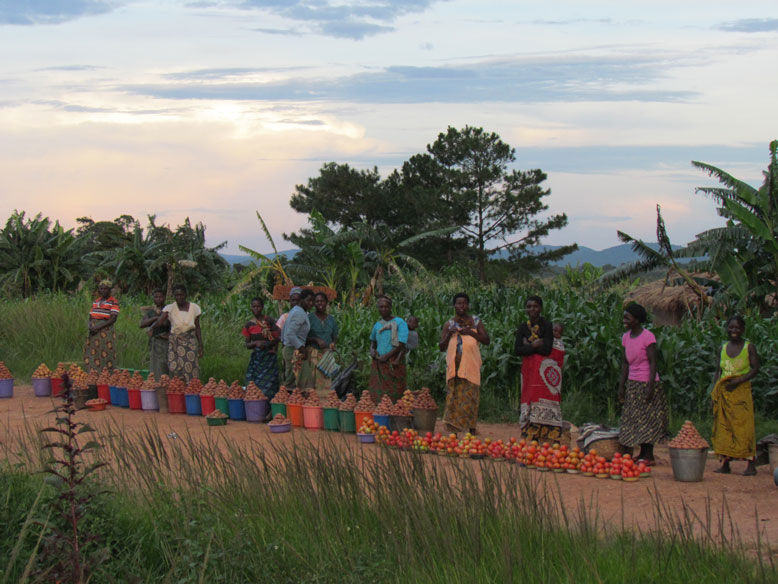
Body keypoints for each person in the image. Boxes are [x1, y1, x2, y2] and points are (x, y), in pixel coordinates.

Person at [618, 302, 668, 465]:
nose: (624, 320)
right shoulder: (626, 337)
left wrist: (650, 385)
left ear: (637, 320)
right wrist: (621, 385)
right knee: (633, 419)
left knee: (648, 419)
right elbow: (625, 363)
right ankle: (641, 454)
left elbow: (653, 363)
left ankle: (648, 455)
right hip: (633, 383)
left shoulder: (648, 337)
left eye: (628, 318)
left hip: (646, 382)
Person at [711, 315, 760, 476]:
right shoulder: (723, 348)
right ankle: (725, 463)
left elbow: (755, 369)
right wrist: (714, 393)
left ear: (743, 329)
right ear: (727, 329)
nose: (734, 331)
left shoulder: (748, 347)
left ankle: (750, 464)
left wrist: (738, 381)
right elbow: (718, 371)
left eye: (737, 328)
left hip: (741, 394)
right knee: (725, 428)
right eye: (731, 327)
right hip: (724, 393)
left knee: (745, 428)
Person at [440, 293, 490, 435]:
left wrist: (470, 332)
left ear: (468, 305)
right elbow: (441, 346)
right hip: (454, 365)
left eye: (464, 303)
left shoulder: (475, 321)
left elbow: (486, 340)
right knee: (454, 397)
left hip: (470, 365)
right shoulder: (449, 324)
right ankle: (453, 430)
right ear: (454, 305)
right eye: (458, 303)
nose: (462, 306)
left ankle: (471, 428)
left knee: (470, 396)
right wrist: (450, 334)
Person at [514, 295, 563, 441]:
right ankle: (531, 434)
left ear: (540, 308)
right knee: (529, 399)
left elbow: (547, 350)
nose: (532, 309)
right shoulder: (523, 327)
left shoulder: (547, 325)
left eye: (535, 306)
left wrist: (527, 346)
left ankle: (546, 434)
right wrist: (534, 345)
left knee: (542, 398)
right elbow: (517, 350)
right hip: (529, 371)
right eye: (529, 306)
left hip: (543, 373)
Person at [154, 284, 203, 383]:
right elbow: (159, 321)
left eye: (181, 295)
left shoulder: (194, 308)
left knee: (190, 367)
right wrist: (151, 328)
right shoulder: (170, 308)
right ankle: (178, 390)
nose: (179, 297)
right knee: (175, 369)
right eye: (176, 295)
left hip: (189, 341)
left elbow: (197, 327)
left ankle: (191, 390)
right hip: (175, 342)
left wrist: (201, 344)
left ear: (185, 295)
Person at [368, 296, 409, 401]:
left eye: (386, 307)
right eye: (381, 307)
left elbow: (401, 344)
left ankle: (395, 413)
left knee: (395, 391)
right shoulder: (377, 325)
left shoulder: (400, 323)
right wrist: (372, 350)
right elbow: (373, 341)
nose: (383, 309)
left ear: (391, 308)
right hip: (379, 362)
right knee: (378, 391)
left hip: (393, 362)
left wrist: (387, 356)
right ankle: (380, 411)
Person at [242, 297, 281, 399]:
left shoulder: (269, 321)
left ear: (262, 307)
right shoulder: (249, 324)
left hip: (269, 358)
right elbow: (247, 344)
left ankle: (270, 407)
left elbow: (278, 338)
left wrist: (270, 346)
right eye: (254, 306)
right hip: (257, 359)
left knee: (270, 384)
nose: (256, 309)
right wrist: (256, 343)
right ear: (251, 308)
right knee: (254, 384)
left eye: (258, 306)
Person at [303, 292, 339, 396]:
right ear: (314, 303)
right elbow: (304, 338)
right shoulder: (309, 318)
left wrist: (333, 343)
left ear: (327, 303)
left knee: (326, 383)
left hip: (326, 356)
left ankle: (324, 406)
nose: (320, 303)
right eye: (317, 301)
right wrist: (315, 340)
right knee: (313, 384)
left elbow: (335, 336)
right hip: (312, 355)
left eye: (322, 301)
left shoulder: (331, 319)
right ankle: (313, 407)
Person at [281, 288, 315, 389]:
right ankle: (285, 402)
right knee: (293, 381)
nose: (311, 303)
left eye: (312, 301)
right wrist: (302, 349)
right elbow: (290, 334)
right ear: (301, 300)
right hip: (293, 350)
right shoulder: (298, 313)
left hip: (293, 349)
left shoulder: (298, 311)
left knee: (294, 379)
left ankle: (290, 401)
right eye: (308, 300)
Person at [84, 279, 120, 372]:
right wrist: (90, 326)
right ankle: (93, 376)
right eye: (101, 288)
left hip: (105, 330)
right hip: (93, 331)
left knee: (106, 353)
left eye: (106, 289)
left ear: (110, 290)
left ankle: (106, 377)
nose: (103, 291)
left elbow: (112, 319)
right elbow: (91, 316)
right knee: (93, 353)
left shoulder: (113, 302)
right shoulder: (96, 301)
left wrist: (98, 327)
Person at [139, 289, 170, 378]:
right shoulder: (151, 312)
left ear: (164, 298)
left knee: (164, 367)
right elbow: (142, 324)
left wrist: (154, 320)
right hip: (154, 342)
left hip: (165, 342)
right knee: (154, 367)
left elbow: (165, 323)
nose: (158, 299)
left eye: (160, 297)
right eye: (156, 297)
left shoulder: (167, 310)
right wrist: (156, 318)